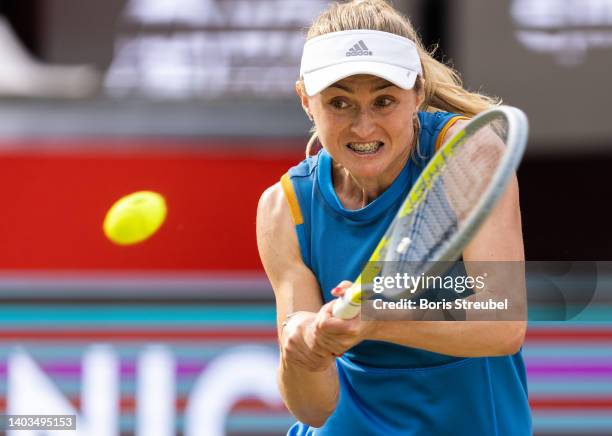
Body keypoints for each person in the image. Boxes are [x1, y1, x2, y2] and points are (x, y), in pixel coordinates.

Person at [256, 1, 531, 434]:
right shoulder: (284, 206)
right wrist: (304, 349)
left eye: (384, 101)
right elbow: (313, 409)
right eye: (339, 103)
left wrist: (376, 321)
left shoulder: (468, 155)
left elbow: (503, 322)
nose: (363, 128)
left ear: (417, 93)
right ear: (306, 100)